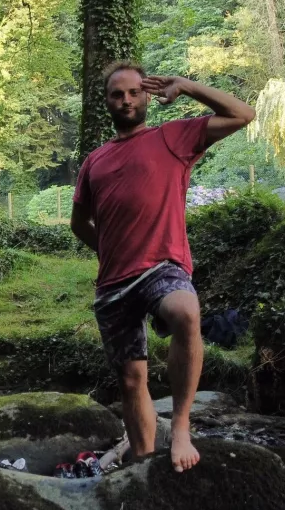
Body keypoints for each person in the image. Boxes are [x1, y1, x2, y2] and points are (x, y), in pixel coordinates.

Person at [70, 62, 254, 473]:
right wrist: (108, 250)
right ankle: (143, 466)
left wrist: (186, 86)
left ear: (147, 96)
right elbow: (78, 223)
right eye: (117, 94)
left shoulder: (174, 137)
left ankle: (182, 426)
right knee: (131, 380)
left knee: (185, 311)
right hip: (113, 284)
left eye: (134, 92)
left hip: (161, 266)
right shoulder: (94, 161)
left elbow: (243, 114)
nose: (126, 100)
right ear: (107, 102)